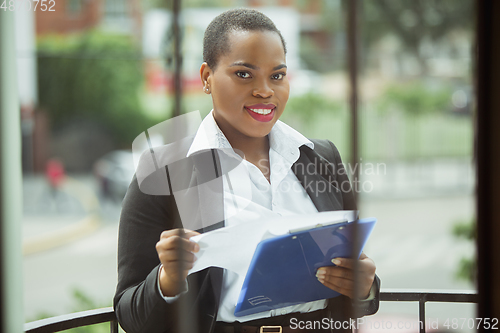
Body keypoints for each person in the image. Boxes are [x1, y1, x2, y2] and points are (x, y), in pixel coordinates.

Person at [114, 8, 380, 333]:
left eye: (277, 75)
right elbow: (129, 315)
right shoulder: (163, 172)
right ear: (206, 78)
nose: (265, 90)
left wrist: (365, 286)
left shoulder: (320, 158)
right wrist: (167, 279)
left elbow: (356, 282)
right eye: (244, 74)